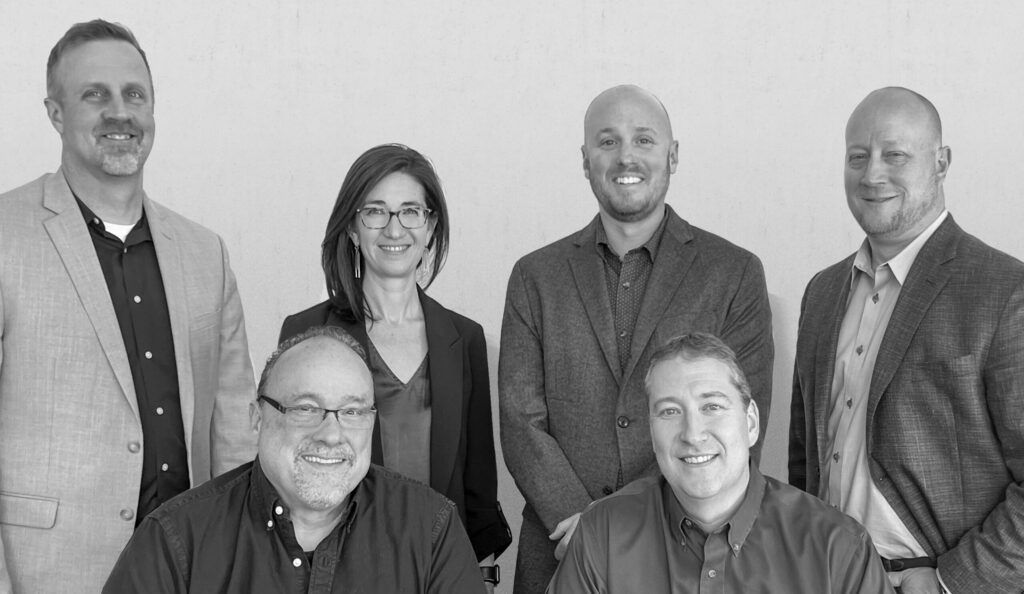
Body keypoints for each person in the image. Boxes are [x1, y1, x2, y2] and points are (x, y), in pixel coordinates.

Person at [0, 19, 255, 592]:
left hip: (190, 567)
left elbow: (235, 426)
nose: (120, 113)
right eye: (95, 94)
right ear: (55, 113)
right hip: (46, 573)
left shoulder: (204, 253)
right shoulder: (4, 236)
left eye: (134, 95)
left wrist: (239, 563)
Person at [499, 84, 774, 592]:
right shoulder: (535, 276)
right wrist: (582, 523)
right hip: (560, 549)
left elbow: (737, 419)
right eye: (608, 141)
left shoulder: (733, 273)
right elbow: (520, 421)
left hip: (688, 550)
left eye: (644, 140)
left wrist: (629, 522)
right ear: (586, 161)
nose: (626, 156)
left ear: (673, 155)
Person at [789, 86, 1024, 593]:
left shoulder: (1005, 291)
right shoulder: (822, 293)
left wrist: (950, 582)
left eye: (895, 154)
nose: (872, 174)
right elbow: (804, 456)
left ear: (941, 163)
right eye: (858, 156)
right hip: (824, 575)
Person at [279, 144, 510, 587]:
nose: (394, 228)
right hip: (336, 571)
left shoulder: (464, 339)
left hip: (440, 570)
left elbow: (478, 485)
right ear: (352, 227)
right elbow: (288, 472)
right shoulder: (307, 331)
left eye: (410, 211)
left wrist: (480, 575)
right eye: (375, 212)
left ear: (430, 225)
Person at [104, 326, 485, 593]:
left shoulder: (430, 530)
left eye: (352, 412)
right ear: (257, 417)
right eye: (306, 408)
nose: (331, 435)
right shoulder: (175, 540)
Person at [548, 333, 892, 593]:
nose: (693, 433)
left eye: (712, 406)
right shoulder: (601, 534)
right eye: (670, 411)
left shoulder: (839, 547)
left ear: (751, 422)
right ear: (652, 435)